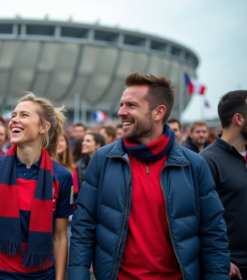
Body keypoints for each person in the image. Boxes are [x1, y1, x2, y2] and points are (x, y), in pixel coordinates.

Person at [68, 71, 230, 280]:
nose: (120, 112)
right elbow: (83, 228)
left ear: (158, 112)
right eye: (121, 104)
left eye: (131, 105)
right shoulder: (102, 159)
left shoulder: (194, 164)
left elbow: (214, 235)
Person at [0, 92, 74, 279]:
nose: (14, 120)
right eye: (14, 115)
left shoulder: (62, 176)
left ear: (44, 127)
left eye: (24, 115)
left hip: (42, 275)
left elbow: (60, 236)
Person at [201, 90, 247, 280]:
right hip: (231, 269)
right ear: (239, 119)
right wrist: (220, 260)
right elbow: (196, 219)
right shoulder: (206, 161)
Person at [55, 132, 79, 206]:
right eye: (55, 140)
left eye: (61, 140)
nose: (58, 143)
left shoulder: (74, 168)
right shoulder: (44, 167)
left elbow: (75, 192)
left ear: (67, 144)